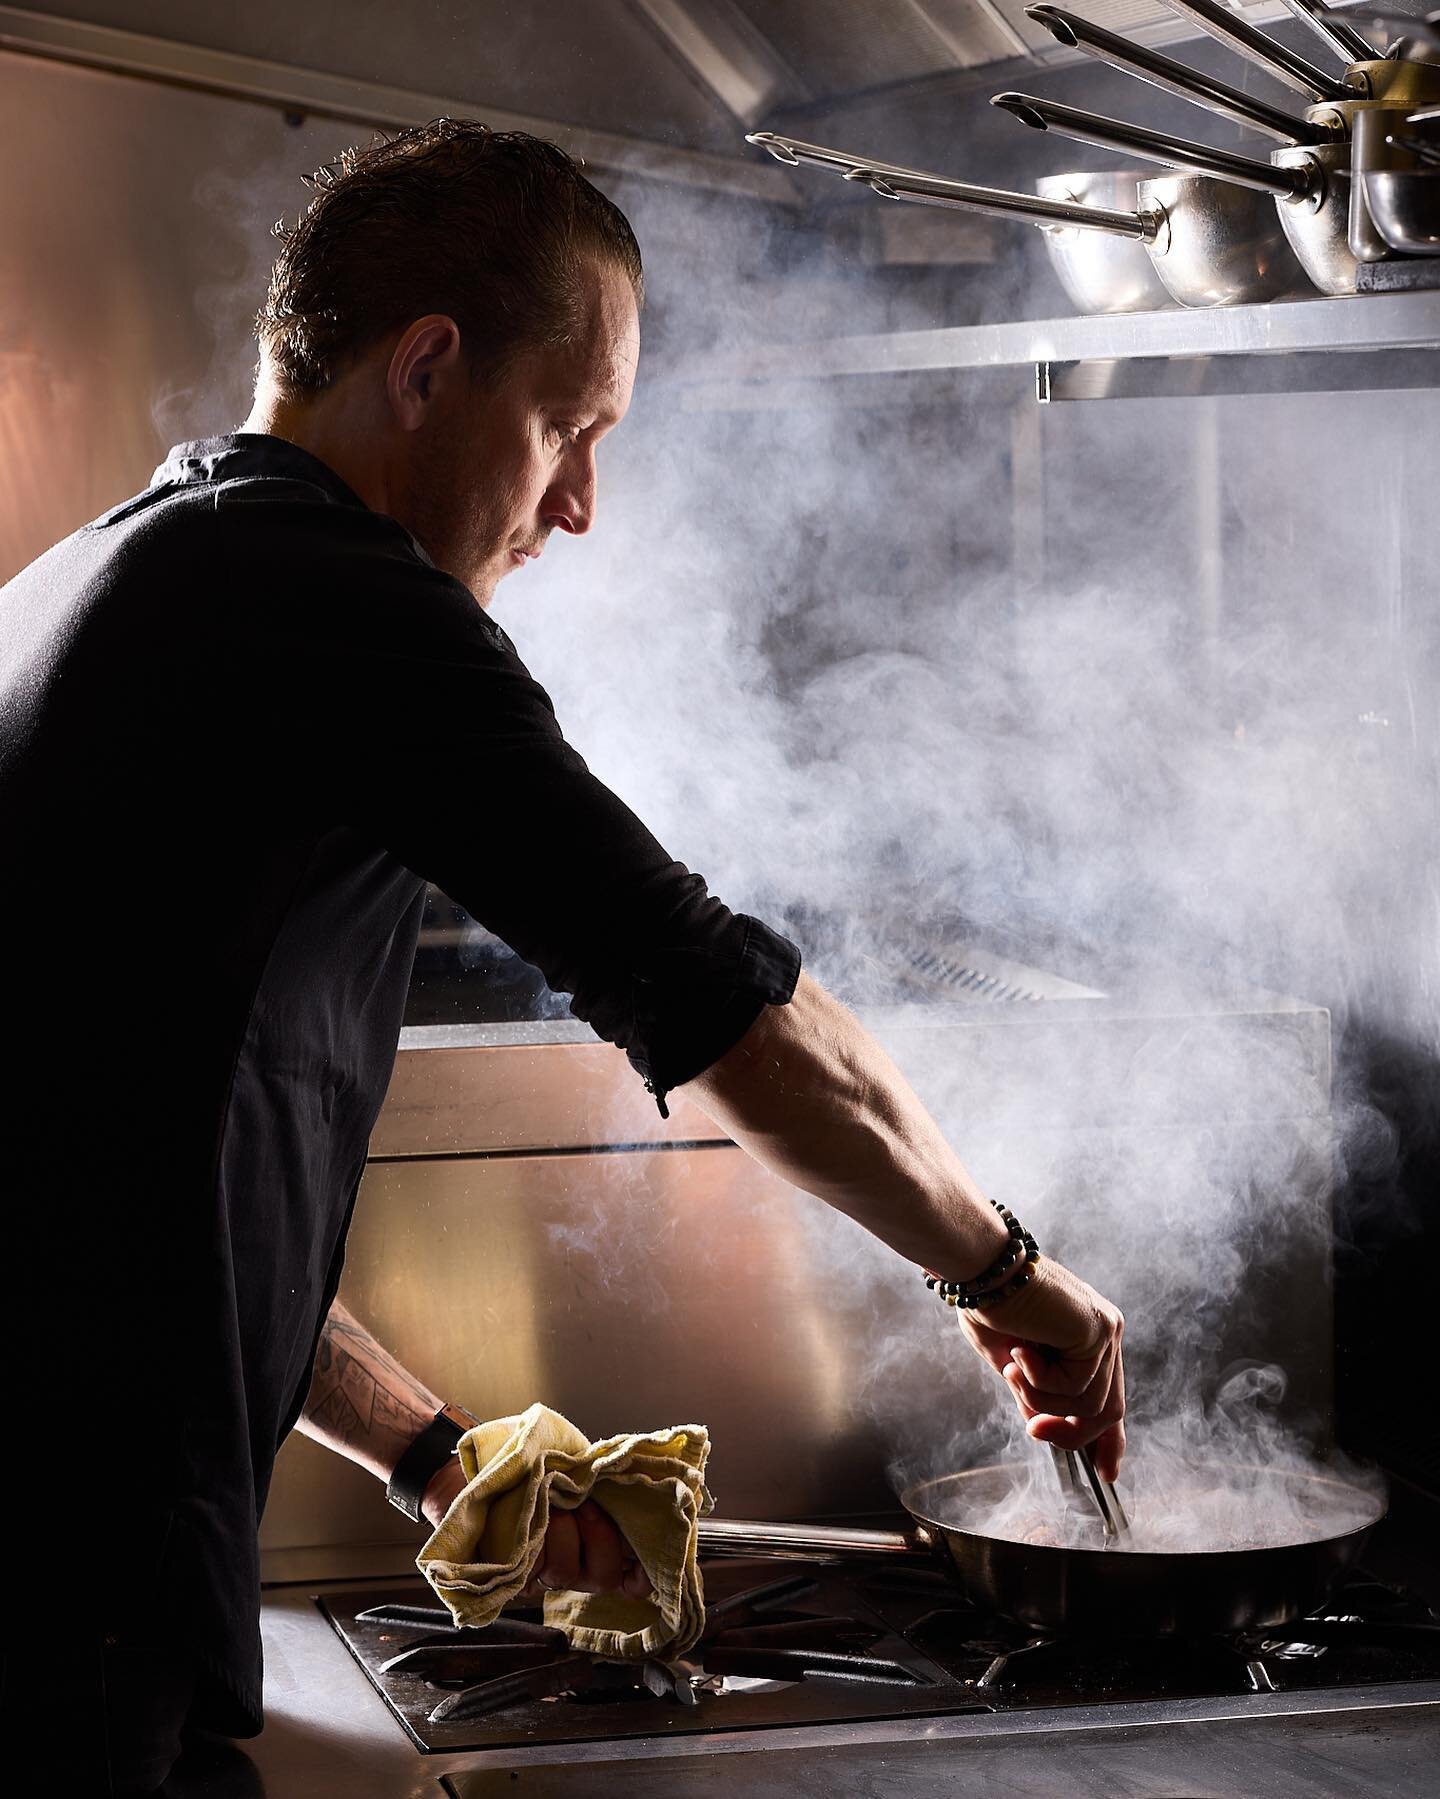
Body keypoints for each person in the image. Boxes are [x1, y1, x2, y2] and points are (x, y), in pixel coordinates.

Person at [0, 121, 1124, 1795]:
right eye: (568, 429)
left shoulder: (132, 570)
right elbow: (721, 1003)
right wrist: (1013, 1277)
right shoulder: (334, 603)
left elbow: (147, 1179)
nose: (582, 506)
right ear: (430, 366)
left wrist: (444, 1457)